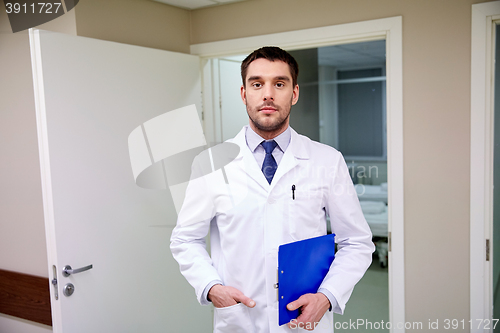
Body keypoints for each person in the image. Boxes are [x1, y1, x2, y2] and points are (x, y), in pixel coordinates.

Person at [170, 46, 374, 332]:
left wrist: (326, 297)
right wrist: (211, 287)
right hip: (240, 320)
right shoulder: (211, 164)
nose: (268, 94)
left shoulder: (327, 160)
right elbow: (185, 240)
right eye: (257, 84)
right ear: (244, 94)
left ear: (294, 93)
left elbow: (357, 242)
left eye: (279, 84)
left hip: (303, 322)